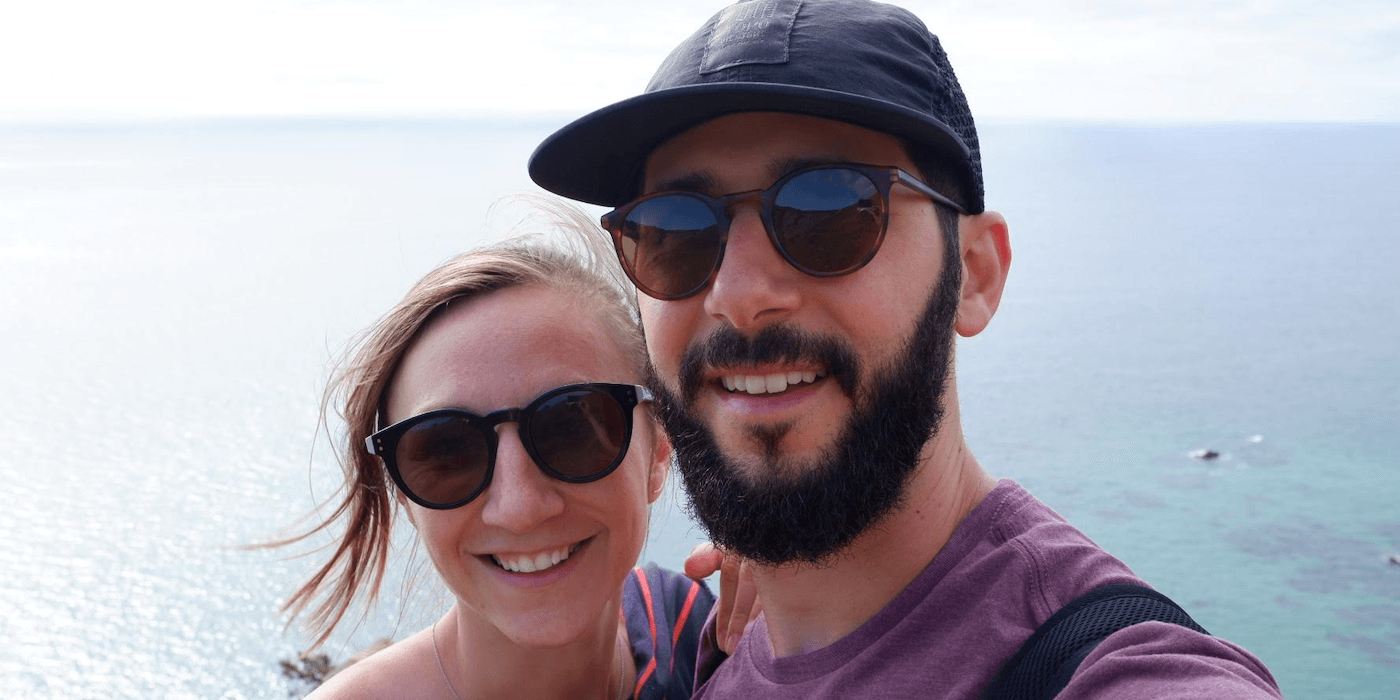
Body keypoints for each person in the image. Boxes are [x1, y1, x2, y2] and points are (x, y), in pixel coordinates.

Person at [528, 1, 1283, 697]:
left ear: (975, 276)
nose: (738, 292)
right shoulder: (715, 652)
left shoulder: (1104, 672)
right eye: (674, 232)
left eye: (831, 209)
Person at [279, 207, 714, 700]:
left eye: (572, 428)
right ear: (404, 493)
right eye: (446, 451)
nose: (521, 508)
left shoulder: (691, 638)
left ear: (658, 450)